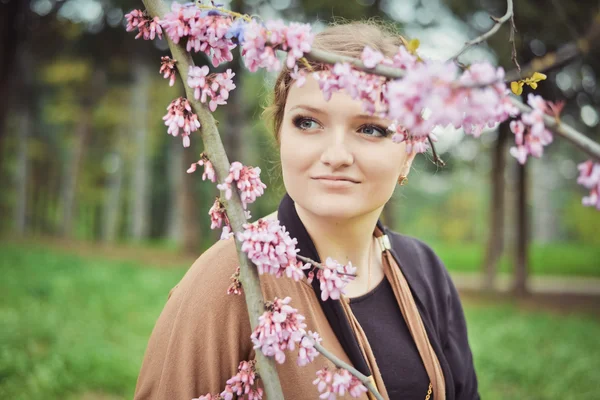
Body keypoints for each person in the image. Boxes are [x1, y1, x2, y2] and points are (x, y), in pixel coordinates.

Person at [134, 21, 480, 400]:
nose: (334, 156)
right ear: (281, 133)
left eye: (371, 129)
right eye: (308, 122)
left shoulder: (423, 270)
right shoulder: (230, 277)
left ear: (408, 155)